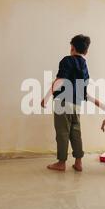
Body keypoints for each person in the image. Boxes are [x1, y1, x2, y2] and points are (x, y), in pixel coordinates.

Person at [41, 34, 91, 172]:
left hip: (63, 102)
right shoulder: (84, 65)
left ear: (72, 48)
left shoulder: (67, 60)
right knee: (76, 132)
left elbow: (60, 80)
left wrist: (46, 97)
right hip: (77, 104)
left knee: (62, 133)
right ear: (86, 51)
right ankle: (78, 162)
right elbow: (84, 85)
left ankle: (61, 162)